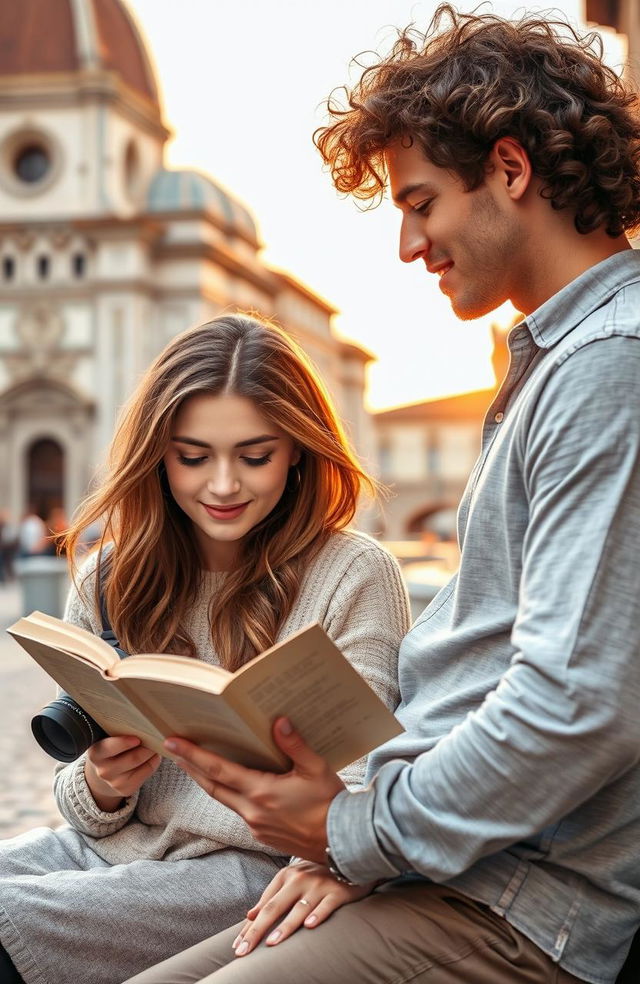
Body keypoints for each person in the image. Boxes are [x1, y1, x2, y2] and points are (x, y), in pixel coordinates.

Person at [124, 7, 640, 984]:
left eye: (419, 202)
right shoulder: (561, 360)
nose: (408, 244)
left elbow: (576, 705)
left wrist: (361, 831)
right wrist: (359, 844)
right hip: (452, 869)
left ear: (510, 169)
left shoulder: (609, 364)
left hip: (517, 906)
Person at [0, 314, 410, 984]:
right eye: (193, 457)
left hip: (255, 871)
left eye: (255, 456)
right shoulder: (109, 576)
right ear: (158, 453)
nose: (223, 485)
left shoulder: (353, 573)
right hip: (111, 854)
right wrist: (102, 781)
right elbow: (81, 812)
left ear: (299, 449)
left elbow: (364, 794)